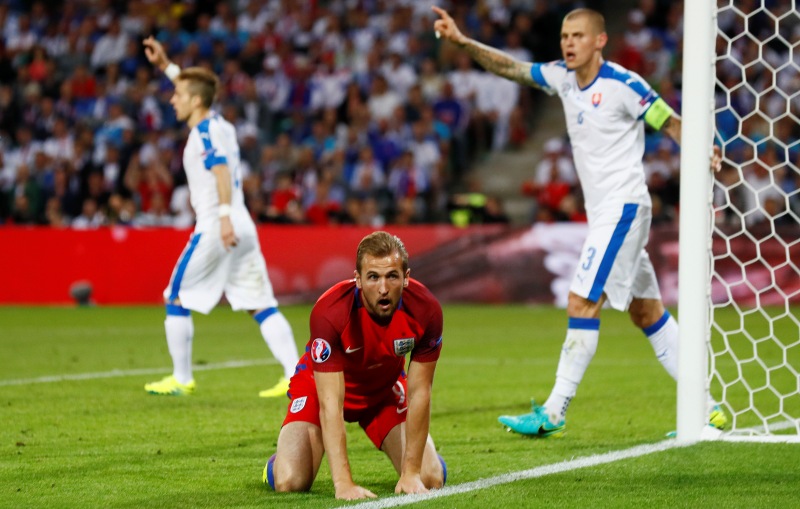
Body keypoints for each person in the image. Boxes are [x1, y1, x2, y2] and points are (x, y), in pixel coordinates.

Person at [432, 6, 727, 437]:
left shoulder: (623, 84)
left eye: (577, 35)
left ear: (599, 41)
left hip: (623, 208)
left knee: (580, 301)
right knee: (647, 312)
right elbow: (512, 68)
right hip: (607, 214)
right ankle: (708, 407)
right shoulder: (561, 78)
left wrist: (702, 149)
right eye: (565, 35)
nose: (568, 43)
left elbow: (669, 120)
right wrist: (462, 42)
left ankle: (554, 410)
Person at [141, 37, 299, 398]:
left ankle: (182, 378)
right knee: (261, 304)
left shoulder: (204, 133)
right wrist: (167, 65)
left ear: (195, 101)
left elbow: (222, 170)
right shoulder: (220, 124)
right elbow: (193, 89)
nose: (172, 99)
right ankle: (295, 375)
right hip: (243, 224)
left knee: (175, 296)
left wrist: (223, 216)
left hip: (218, 223)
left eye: (177, 95)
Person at [263, 231, 446, 500]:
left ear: (406, 278)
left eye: (392, 276)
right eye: (373, 277)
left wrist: (411, 473)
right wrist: (343, 483)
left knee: (430, 478)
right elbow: (330, 403)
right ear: (358, 279)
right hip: (320, 389)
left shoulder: (426, 311)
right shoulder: (331, 312)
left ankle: (429, 463)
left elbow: (420, 393)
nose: (383, 288)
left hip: (383, 392)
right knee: (290, 481)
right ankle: (276, 463)